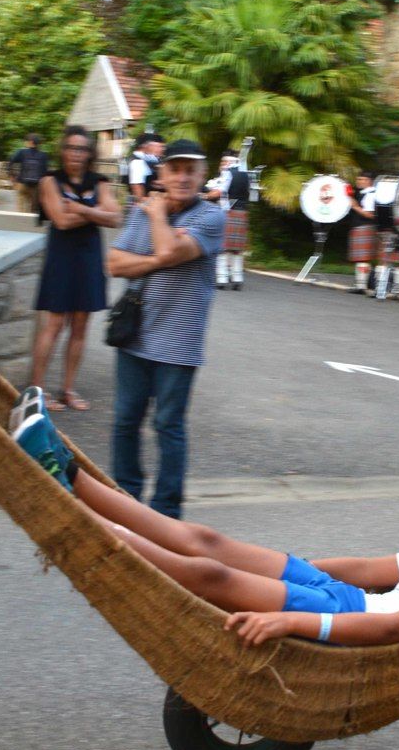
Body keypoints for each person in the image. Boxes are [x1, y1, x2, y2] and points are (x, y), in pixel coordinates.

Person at [10, 395, 399, 645]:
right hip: (335, 591)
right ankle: (69, 476)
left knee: (211, 577)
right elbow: (369, 567)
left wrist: (291, 618)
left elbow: (392, 625)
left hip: (345, 617)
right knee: (207, 540)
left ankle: (75, 519)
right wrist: (299, 571)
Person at [107, 138, 226, 519]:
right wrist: (157, 253)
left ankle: (165, 512)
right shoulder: (141, 215)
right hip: (135, 337)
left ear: (203, 175)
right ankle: (126, 498)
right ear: (162, 173)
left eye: (191, 169)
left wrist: (157, 220)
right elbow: (113, 263)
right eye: (175, 168)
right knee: (125, 420)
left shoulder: (210, 217)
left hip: (179, 344)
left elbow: (172, 252)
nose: (183, 177)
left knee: (168, 425)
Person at [31, 125, 123, 411]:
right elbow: (61, 221)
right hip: (62, 257)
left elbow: (117, 217)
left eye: (81, 149)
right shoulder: (49, 181)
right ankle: (37, 390)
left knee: (81, 325)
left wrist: (82, 210)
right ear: (63, 150)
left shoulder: (100, 182)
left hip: (88, 258)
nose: (75, 153)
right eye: (71, 147)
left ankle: (68, 390)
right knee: (55, 324)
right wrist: (97, 214)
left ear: (89, 153)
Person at [204, 151, 253, 290]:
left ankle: (222, 278)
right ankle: (237, 278)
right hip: (242, 211)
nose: (222, 165)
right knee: (237, 249)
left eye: (224, 162)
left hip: (228, 210)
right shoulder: (246, 174)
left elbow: (220, 192)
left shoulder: (228, 172)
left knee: (223, 247)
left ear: (229, 162)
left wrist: (203, 197)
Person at [346, 171, 377, 293]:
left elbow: (370, 214)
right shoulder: (363, 193)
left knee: (363, 259)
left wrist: (355, 207)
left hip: (365, 227)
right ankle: (361, 285)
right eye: (358, 179)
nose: (359, 182)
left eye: (362, 179)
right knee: (361, 259)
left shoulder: (370, 194)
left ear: (369, 181)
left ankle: (361, 286)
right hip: (360, 227)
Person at [7, 134, 50, 217]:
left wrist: (12, 176)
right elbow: (45, 173)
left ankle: (19, 225)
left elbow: (10, 162)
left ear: (30, 142)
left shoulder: (22, 152)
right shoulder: (44, 155)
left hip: (22, 184)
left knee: (20, 211)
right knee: (33, 212)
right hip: (36, 187)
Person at [126, 132, 165, 203]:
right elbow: (138, 193)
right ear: (147, 146)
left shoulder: (147, 159)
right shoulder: (137, 162)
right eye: (159, 146)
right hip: (144, 207)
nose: (162, 149)